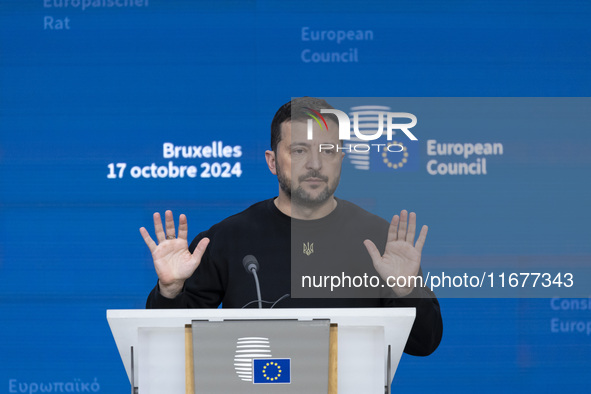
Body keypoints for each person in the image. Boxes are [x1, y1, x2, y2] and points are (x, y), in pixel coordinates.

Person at [141, 97, 443, 356]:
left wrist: (407, 291)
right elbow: (169, 344)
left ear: (341, 158)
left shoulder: (379, 239)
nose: (314, 163)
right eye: (299, 150)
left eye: (327, 150)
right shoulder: (225, 239)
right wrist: (169, 291)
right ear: (272, 162)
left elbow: (424, 343)